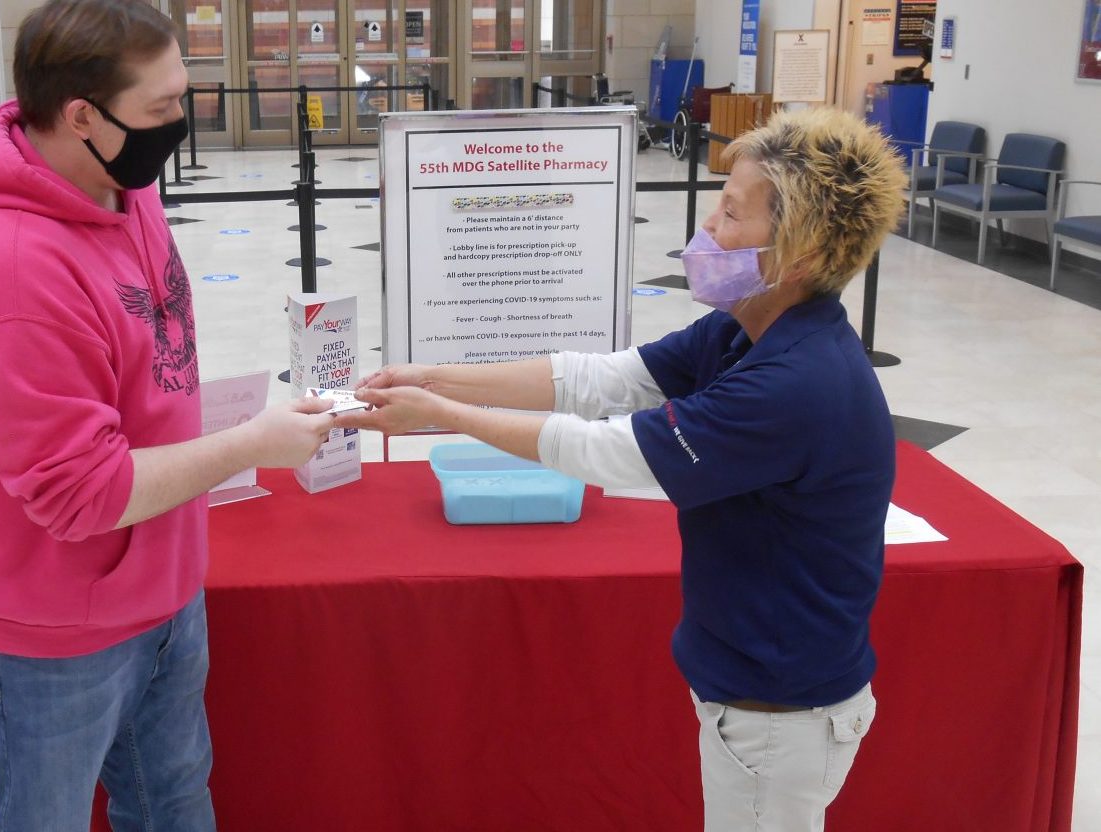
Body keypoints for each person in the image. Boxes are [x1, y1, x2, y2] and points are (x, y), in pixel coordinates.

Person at [336, 107, 907, 831]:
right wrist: (439, 377)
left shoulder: (794, 383)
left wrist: (443, 416)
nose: (707, 234)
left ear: (793, 250)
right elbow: (601, 379)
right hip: (750, 681)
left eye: (731, 215)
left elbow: (611, 452)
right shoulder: (748, 326)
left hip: (781, 704)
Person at [0, 1, 336, 829]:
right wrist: (253, 444)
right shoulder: (11, 272)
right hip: (47, 618)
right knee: (45, 815)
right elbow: (77, 494)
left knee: (172, 797)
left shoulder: (118, 179)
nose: (179, 122)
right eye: (162, 107)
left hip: (160, 582)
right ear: (81, 116)